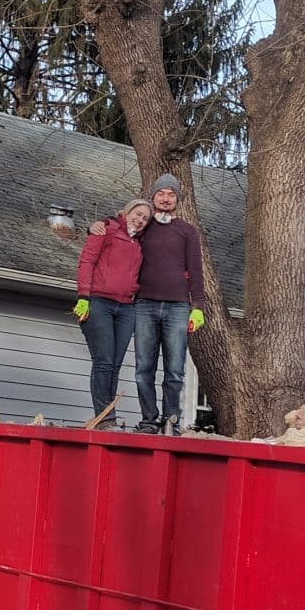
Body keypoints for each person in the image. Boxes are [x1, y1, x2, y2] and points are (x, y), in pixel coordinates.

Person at [91, 173, 205, 435]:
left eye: (171, 194)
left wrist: (197, 306)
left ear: (177, 199)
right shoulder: (144, 227)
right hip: (144, 305)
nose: (166, 199)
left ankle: (171, 421)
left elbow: (196, 272)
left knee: (175, 369)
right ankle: (149, 420)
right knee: (144, 368)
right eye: (161, 194)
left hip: (177, 307)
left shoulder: (187, 232)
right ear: (153, 197)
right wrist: (97, 223)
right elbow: (121, 224)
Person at [73, 198, 152, 429]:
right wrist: (83, 296)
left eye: (145, 218)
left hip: (126, 307)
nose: (140, 220)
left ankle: (108, 416)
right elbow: (86, 261)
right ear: (126, 212)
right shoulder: (105, 229)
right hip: (99, 302)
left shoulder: (140, 243)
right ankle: (105, 419)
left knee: (115, 364)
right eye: (137, 214)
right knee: (104, 362)